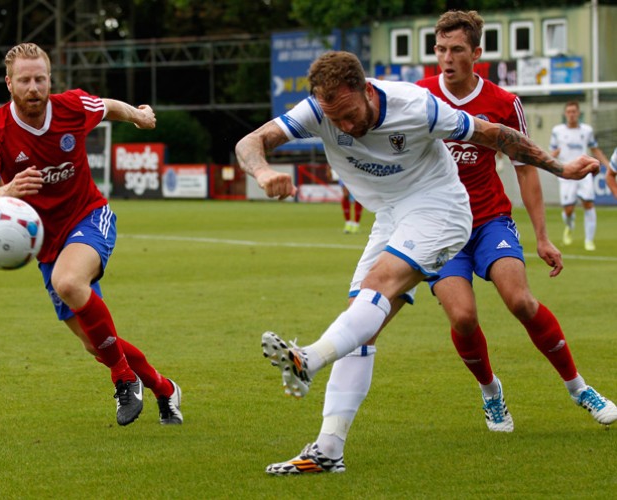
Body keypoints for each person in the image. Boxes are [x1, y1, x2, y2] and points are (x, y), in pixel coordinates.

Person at [235, 50, 598, 475]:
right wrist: (261, 173)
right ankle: (328, 450)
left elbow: (497, 135)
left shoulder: (416, 106)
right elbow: (250, 142)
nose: (346, 127)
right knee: (360, 325)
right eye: (336, 120)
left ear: (366, 90)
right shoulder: (317, 110)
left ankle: (309, 358)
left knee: (379, 284)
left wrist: (562, 168)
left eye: (351, 114)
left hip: (440, 207)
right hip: (390, 216)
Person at [417, 10, 616, 434]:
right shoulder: (418, 97)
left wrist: (542, 237)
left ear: (477, 54)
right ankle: (491, 394)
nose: (446, 59)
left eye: (456, 50)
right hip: (438, 228)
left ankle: (579, 387)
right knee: (463, 318)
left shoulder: (504, 104)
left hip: (490, 219)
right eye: (440, 50)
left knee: (521, 301)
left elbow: (525, 167)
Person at [0, 42, 182, 427]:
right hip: (45, 245)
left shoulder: (72, 106)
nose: (33, 87)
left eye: (40, 79)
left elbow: (109, 106)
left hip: (89, 216)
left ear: (50, 80)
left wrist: (139, 117)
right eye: (24, 80)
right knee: (95, 344)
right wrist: (7, 191)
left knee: (69, 283)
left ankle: (123, 378)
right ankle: (163, 388)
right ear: (9, 83)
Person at [550, 101, 611, 250]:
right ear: (565, 114)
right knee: (568, 210)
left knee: (589, 204)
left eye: (574, 112)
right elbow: (551, 153)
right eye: (569, 112)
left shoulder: (586, 130)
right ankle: (569, 226)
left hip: (584, 172)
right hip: (565, 173)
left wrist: (609, 166)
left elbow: (595, 149)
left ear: (578, 113)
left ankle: (589, 240)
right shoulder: (557, 131)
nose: (571, 114)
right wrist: (553, 157)